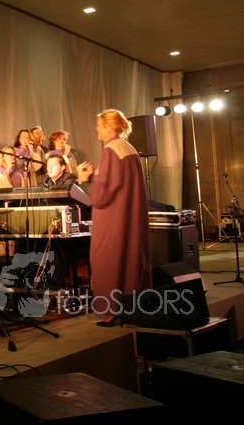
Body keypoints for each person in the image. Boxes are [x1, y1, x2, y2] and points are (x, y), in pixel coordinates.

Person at [78, 109, 151, 327]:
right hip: (130, 216)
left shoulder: (110, 150)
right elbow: (118, 180)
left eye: (99, 126)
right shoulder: (128, 148)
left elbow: (103, 194)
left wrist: (87, 179)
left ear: (109, 128)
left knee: (107, 259)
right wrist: (96, 176)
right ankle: (134, 307)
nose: (96, 129)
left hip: (113, 218)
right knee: (130, 259)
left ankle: (113, 310)